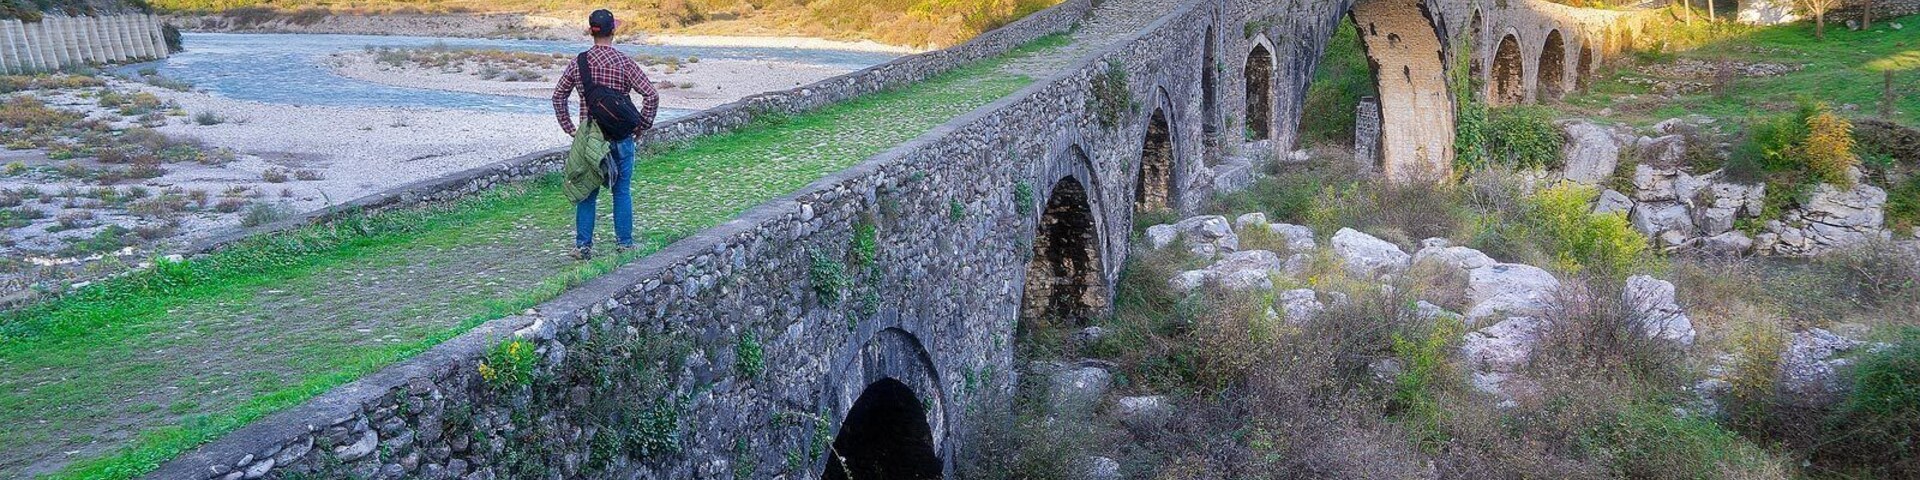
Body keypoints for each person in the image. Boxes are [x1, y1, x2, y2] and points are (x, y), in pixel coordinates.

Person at [552, 9, 660, 260]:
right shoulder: (624, 62)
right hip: (621, 137)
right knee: (621, 191)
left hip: (590, 139)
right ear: (614, 31)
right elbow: (651, 95)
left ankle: (583, 247)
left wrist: (570, 128)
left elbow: (558, 96)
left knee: (588, 192)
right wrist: (642, 125)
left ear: (591, 32)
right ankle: (624, 244)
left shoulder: (579, 63)